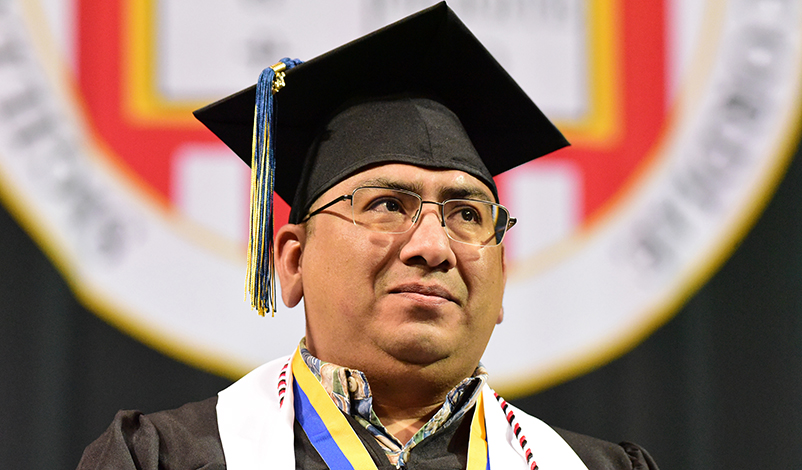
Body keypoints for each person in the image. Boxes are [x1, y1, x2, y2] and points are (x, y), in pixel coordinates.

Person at [77, 3, 659, 469]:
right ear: (292, 261)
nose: (433, 246)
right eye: (387, 205)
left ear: (503, 280)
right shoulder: (165, 458)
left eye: (466, 215)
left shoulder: (594, 467)